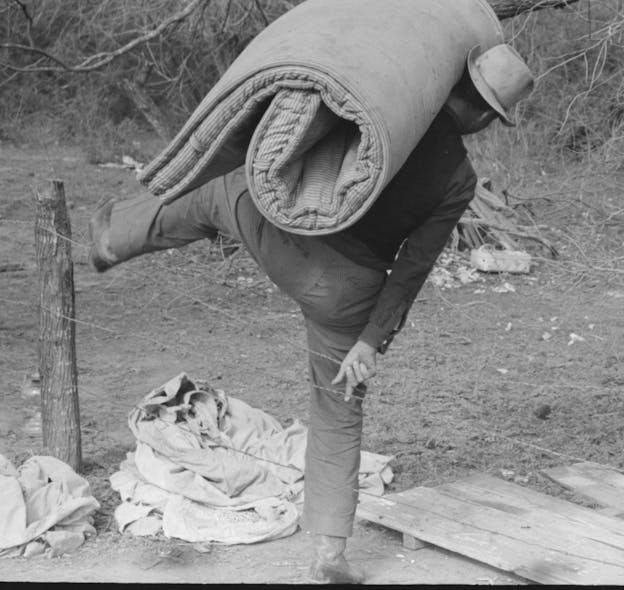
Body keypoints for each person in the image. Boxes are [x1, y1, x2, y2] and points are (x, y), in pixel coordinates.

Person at [88, 43, 534, 583]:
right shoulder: (460, 180)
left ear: (453, 81)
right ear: (487, 117)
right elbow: (411, 270)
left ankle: (113, 239)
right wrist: (371, 340)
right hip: (348, 293)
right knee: (339, 407)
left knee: (216, 191)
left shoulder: (387, 108)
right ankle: (328, 553)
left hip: (288, 241)